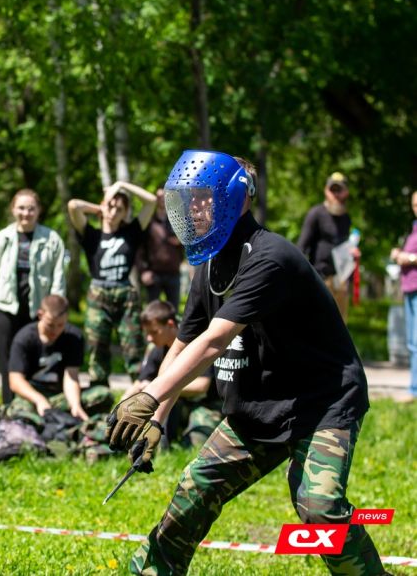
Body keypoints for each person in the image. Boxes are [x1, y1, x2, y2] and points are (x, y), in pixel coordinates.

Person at [106, 151, 384, 575]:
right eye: (189, 199)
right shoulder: (211, 264)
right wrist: (157, 418)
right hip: (257, 407)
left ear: (236, 199)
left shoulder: (269, 257)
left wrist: (147, 395)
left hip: (320, 405)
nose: (193, 208)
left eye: (204, 198)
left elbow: (215, 339)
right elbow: (182, 346)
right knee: (194, 492)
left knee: (319, 510)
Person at [0, 189, 66, 404]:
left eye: (31, 208)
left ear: (38, 211)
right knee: (7, 360)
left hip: (38, 310)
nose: (26, 213)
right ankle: (9, 407)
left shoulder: (52, 239)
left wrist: (53, 312)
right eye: (21, 208)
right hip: (4, 309)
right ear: (13, 210)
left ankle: (35, 404)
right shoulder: (2, 238)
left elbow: (58, 278)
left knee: (35, 357)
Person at [68, 180, 156, 388]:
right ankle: (100, 396)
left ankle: (139, 394)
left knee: (133, 346)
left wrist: (121, 185)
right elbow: (73, 205)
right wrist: (102, 206)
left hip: (125, 293)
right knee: (97, 347)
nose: (114, 211)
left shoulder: (131, 232)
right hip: (98, 294)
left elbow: (151, 201)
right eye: (111, 206)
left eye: (119, 208)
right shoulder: (91, 235)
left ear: (125, 212)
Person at [120, 300, 222, 447]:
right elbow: (141, 381)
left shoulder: (197, 343)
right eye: (147, 333)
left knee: (194, 444)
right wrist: (122, 403)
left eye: (154, 332)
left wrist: (159, 388)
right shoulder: (157, 349)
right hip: (179, 405)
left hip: (206, 404)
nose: (149, 338)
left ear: (170, 325)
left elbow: (202, 386)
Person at [8, 294, 112, 420]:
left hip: (60, 396)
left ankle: (69, 416)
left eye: (60, 325)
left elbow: (71, 376)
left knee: (103, 395)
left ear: (67, 318)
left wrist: (75, 405)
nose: (55, 331)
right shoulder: (24, 338)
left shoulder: (74, 337)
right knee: (20, 413)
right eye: (50, 325)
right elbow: (15, 381)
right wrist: (39, 400)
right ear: (40, 315)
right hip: (32, 396)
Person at [298, 171, 361, 322]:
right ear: (326, 191)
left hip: (341, 281)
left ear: (346, 192)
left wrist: (353, 252)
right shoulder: (316, 214)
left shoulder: (346, 217)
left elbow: (345, 246)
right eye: (332, 189)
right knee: (319, 325)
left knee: (340, 326)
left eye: (339, 190)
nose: (336, 194)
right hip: (320, 278)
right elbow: (301, 247)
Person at [136, 189, 184, 310]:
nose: (162, 199)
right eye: (159, 197)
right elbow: (139, 249)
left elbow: (186, 244)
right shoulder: (148, 222)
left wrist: (180, 244)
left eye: (165, 196)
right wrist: (143, 271)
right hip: (154, 274)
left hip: (173, 273)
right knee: (152, 312)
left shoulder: (176, 221)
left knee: (173, 311)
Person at [390, 190, 417, 402]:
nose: (416, 208)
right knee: (411, 341)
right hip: (409, 287)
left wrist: (406, 257)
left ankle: (415, 389)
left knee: (416, 341)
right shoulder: (414, 228)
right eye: (414, 205)